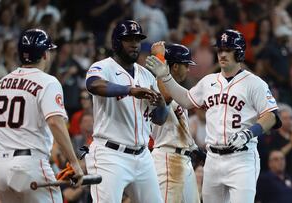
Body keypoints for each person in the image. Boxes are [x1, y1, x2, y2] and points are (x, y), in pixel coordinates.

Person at [146, 29, 281, 203]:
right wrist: (165, 77)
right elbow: (186, 100)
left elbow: (272, 115)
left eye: (228, 50)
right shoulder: (208, 81)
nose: (222, 54)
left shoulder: (254, 83)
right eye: (220, 50)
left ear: (239, 52)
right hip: (213, 160)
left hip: (241, 159)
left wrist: (249, 133)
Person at [0, 28, 84, 203]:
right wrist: (74, 163)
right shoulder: (48, 81)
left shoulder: (2, 82)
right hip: (29, 165)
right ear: (45, 55)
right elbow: (55, 123)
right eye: (49, 50)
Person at [84, 20, 168, 203]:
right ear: (116, 43)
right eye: (128, 39)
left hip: (143, 156)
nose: (134, 44)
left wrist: (162, 105)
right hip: (110, 155)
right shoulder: (103, 66)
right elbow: (93, 85)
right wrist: (129, 90)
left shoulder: (146, 75)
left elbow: (160, 120)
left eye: (137, 40)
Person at [150, 43, 200, 203]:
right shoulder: (154, 83)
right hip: (167, 158)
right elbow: (165, 96)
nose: (189, 69)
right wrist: (159, 58)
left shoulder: (176, 89)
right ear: (176, 66)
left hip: (184, 158)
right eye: (186, 65)